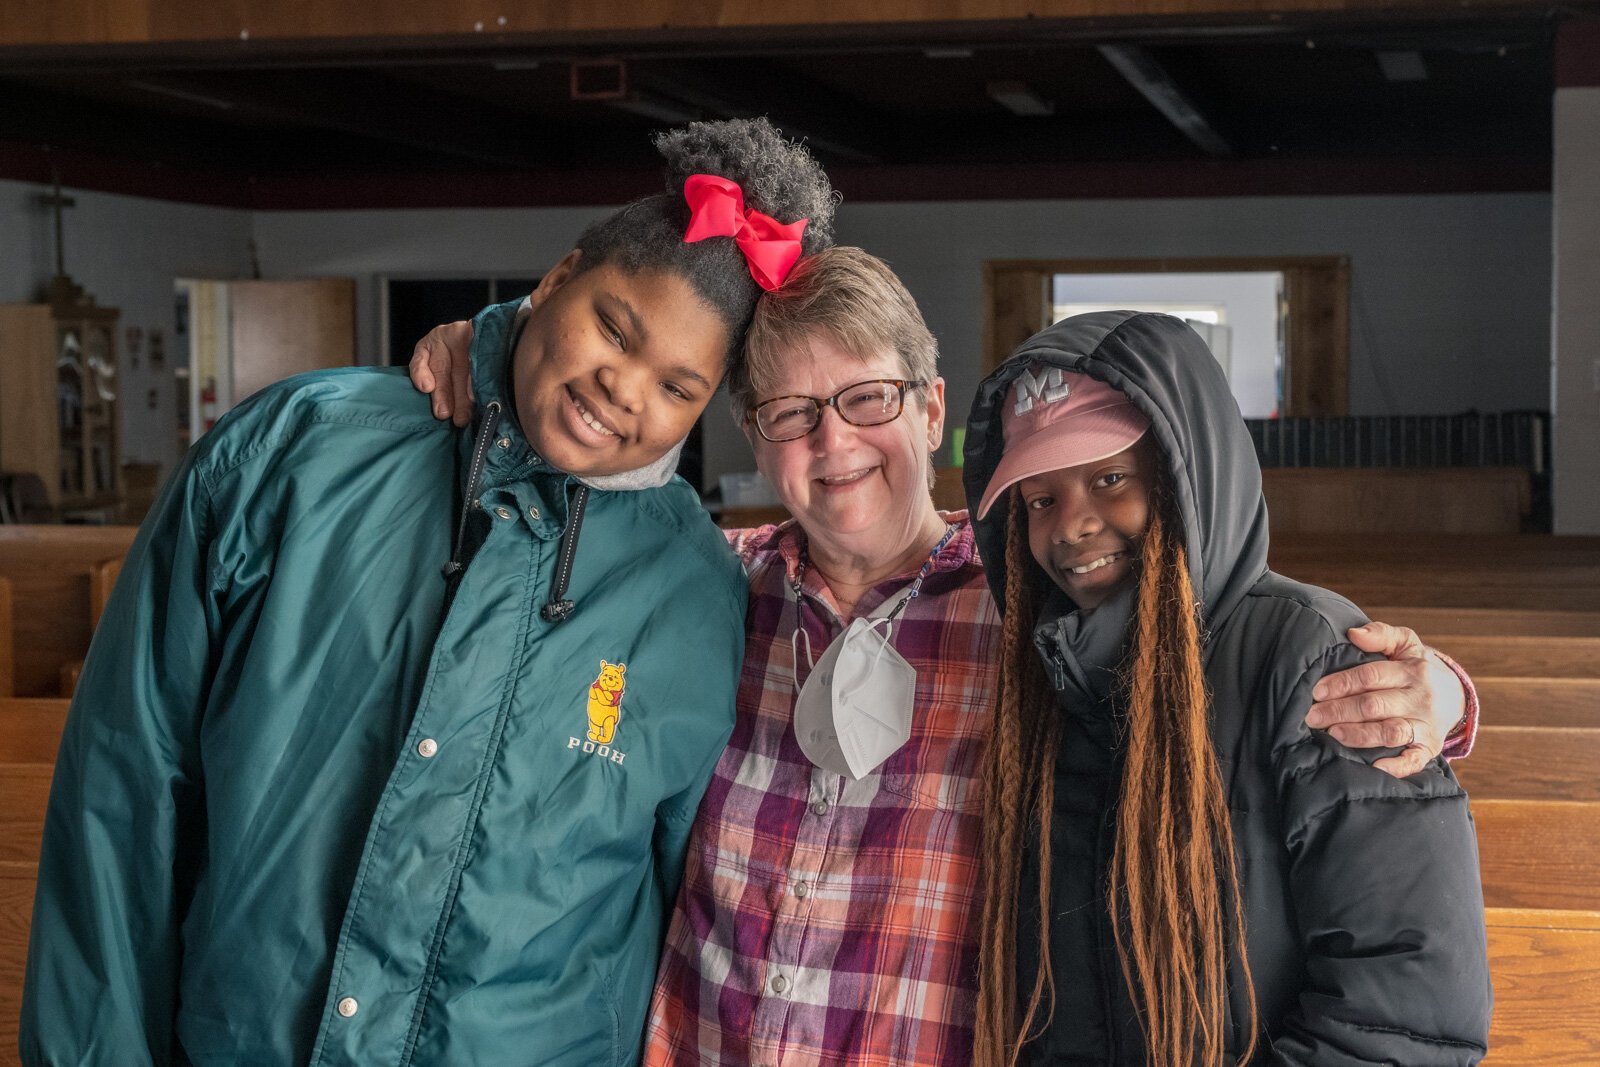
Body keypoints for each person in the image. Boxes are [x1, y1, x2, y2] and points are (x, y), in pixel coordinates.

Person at [408, 251, 1478, 1064]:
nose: (832, 443)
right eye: (788, 412)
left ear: (929, 410)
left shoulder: (1036, 608)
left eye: (866, 398)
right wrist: (500, 351)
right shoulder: (702, 587)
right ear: (751, 433)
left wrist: (1438, 693)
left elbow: (1219, 650)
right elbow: (545, 546)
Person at [20, 117, 836, 1067]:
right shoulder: (293, 454)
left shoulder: (696, 593)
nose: (623, 388)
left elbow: (675, 905)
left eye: (678, 386)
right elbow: (123, 791)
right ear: (560, 275)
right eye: (614, 327)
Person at [965, 311, 1492, 1066]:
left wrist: (1456, 694)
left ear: (1187, 476)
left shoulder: (1308, 659)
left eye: (1109, 478)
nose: (1072, 524)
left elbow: (1406, 1016)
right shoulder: (1050, 678)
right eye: (1040, 499)